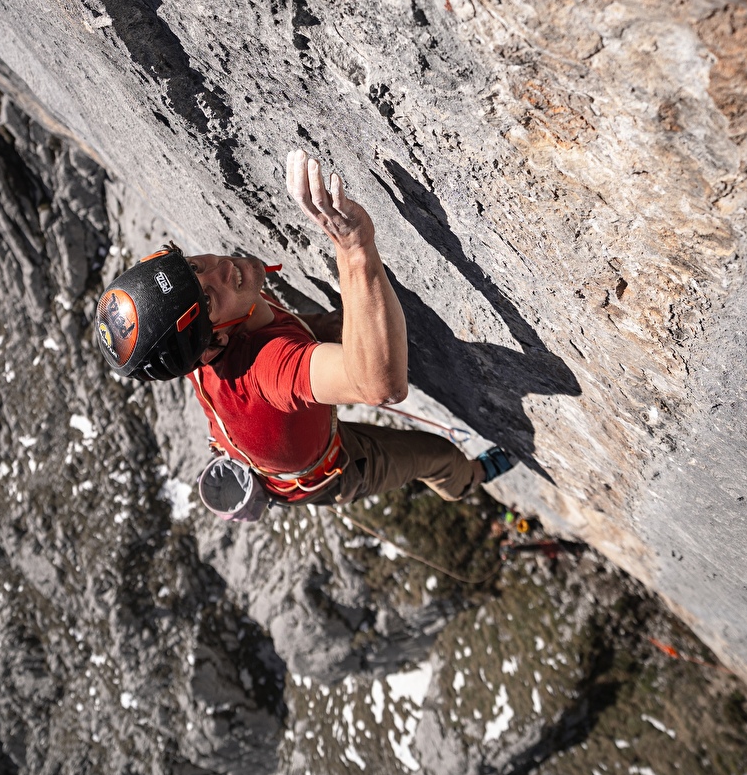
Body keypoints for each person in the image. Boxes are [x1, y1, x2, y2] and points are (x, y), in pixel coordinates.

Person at [94, 148, 511, 509]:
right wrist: (353, 249)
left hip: (266, 435)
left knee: (338, 326)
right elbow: (382, 386)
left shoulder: (210, 329)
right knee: (438, 456)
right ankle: (472, 478)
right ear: (217, 339)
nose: (222, 269)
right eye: (206, 298)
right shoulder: (265, 369)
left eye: (194, 267)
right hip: (327, 470)